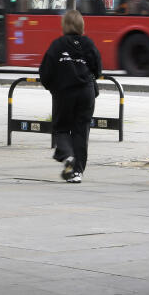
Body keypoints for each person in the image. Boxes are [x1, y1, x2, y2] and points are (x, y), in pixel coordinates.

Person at [39, 9, 102, 183]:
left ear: (64, 26)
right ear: (82, 26)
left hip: (64, 92)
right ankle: (77, 172)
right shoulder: (88, 44)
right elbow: (98, 69)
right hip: (86, 93)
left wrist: (53, 88)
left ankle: (67, 155)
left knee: (61, 128)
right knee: (82, 130)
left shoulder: (57, 45)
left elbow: (45, 72)